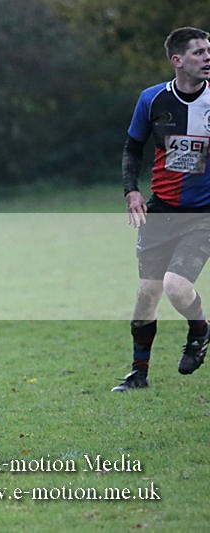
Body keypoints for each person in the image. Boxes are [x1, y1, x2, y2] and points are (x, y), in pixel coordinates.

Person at [112, 27, 210, 392]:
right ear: (177, 60)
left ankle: (199, 330)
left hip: (203, 215)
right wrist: (131, 191)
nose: (207, 57)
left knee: (176, 286)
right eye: (199, 52)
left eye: (208, 51)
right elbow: (132, 148)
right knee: (146, 295)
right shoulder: (152, 99)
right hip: (160, 212)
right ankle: (138, 373)